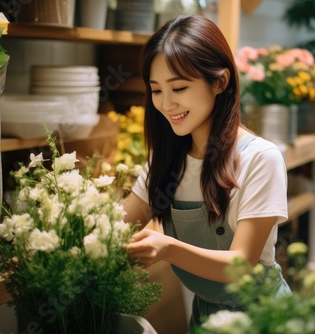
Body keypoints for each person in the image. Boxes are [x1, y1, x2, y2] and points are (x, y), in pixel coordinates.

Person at [123, 14, 291, 330]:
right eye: (156, 90)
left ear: (220, 82)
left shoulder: (260, 159)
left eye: (180, 88)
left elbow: (240, 265)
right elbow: (116, 226)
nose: (166, 104)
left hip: (267, 319)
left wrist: (167, 248)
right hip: (206, 320)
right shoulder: (165, 161)